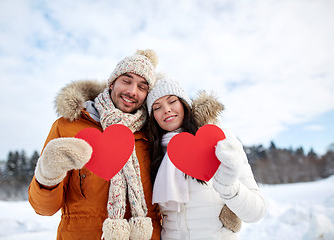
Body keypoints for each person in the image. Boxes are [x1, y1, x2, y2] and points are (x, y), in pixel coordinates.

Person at [28, 49, 162, 240]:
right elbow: (43, 209)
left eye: (142, 86)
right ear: (112, 82)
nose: (132, 91)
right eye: (126, 80)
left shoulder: (153, 133)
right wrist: (47, 175)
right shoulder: (68, 127)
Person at [146, 73, 266, 239]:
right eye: (156, 107)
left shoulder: (219, 141)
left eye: (172, 101)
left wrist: (228, 185)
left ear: (184, 104)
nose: (166, 109)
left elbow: (256, 212)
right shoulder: (154, 153)